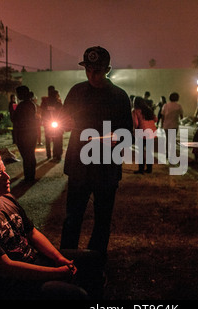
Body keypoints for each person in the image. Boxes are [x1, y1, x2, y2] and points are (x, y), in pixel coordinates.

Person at [0, 149, 105, 299]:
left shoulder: (6, 199)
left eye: (4, 171)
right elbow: (6, 268)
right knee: (76, 295)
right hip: (10, 285)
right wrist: (57, 273)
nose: (7, 177)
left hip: (32, 261)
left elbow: (31, 232)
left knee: (93, 259)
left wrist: (59, 258)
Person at [59, 46, 133, 260]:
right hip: (79, 167)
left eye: (97, 71)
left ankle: (96, 261)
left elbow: (127, 133)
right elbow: (63, 122)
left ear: (108, 69)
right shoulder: (76, 91)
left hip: (106, 167)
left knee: (102, 220)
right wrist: (65, 123)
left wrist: (109, 139)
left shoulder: (119, 96)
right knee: (72, 218)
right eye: (88, 70)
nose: (92, 75)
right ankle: (66, 261)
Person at [13, 85, 37, 182]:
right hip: (32, 132)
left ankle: (28, 177)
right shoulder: (31, 104)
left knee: (26, 156)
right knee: (30, 155)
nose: (17, 95)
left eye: (18, 93)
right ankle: (31, 176)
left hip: (23, 134)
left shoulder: (21, 106)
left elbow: (14, 119)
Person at [132, 96, 158, 174]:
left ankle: (141, 169)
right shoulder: (148, 109)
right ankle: (149, 169)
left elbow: (136, 123)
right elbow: (156, 119)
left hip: (142, 132)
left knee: (141, 152)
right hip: (151, 132)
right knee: (149, 151)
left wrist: (134, 130)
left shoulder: (135, 111)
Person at [41, 88, 64, 161]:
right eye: (57, 95)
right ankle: (51, 154)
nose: (58, 96)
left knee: (56, 139)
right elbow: (43, 113)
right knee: (54, 139)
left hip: (56, 124)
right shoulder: (46, 103)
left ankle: (56, 155)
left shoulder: (58, 103)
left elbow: (63, 113)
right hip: (49, 124)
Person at [161, 92, 183, 160]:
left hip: (166, 125)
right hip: (174, 125)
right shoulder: (178, 106)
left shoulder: (165, 105)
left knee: (167, 139)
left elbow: (163, 116)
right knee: (173, 140)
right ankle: (172, 153)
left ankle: (167, 153)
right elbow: (181, 116)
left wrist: (162, 124)